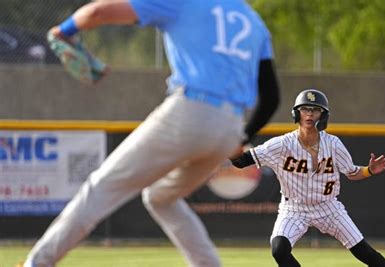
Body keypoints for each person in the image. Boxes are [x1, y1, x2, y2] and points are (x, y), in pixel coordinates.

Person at [22, 0, 280, 266]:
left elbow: (98, 12)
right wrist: (243, 137)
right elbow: (272, 96)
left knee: (102, 186)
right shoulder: (253, 21)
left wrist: (62, 30)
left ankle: (37, 263)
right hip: (230, 127)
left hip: (189, 111)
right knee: (161, 197)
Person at [231, 89, 385, 267]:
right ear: (296, 113)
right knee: (279, 249)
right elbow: (241, 161)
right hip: (294, 208)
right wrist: (228, 148)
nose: (309, 114)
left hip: (329, 207)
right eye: (305, 109)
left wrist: (369, 170)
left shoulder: (333, 144)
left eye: (315, 110)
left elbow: (352, 173)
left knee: (366, 253)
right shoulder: (282, 144)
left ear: (323, 115)